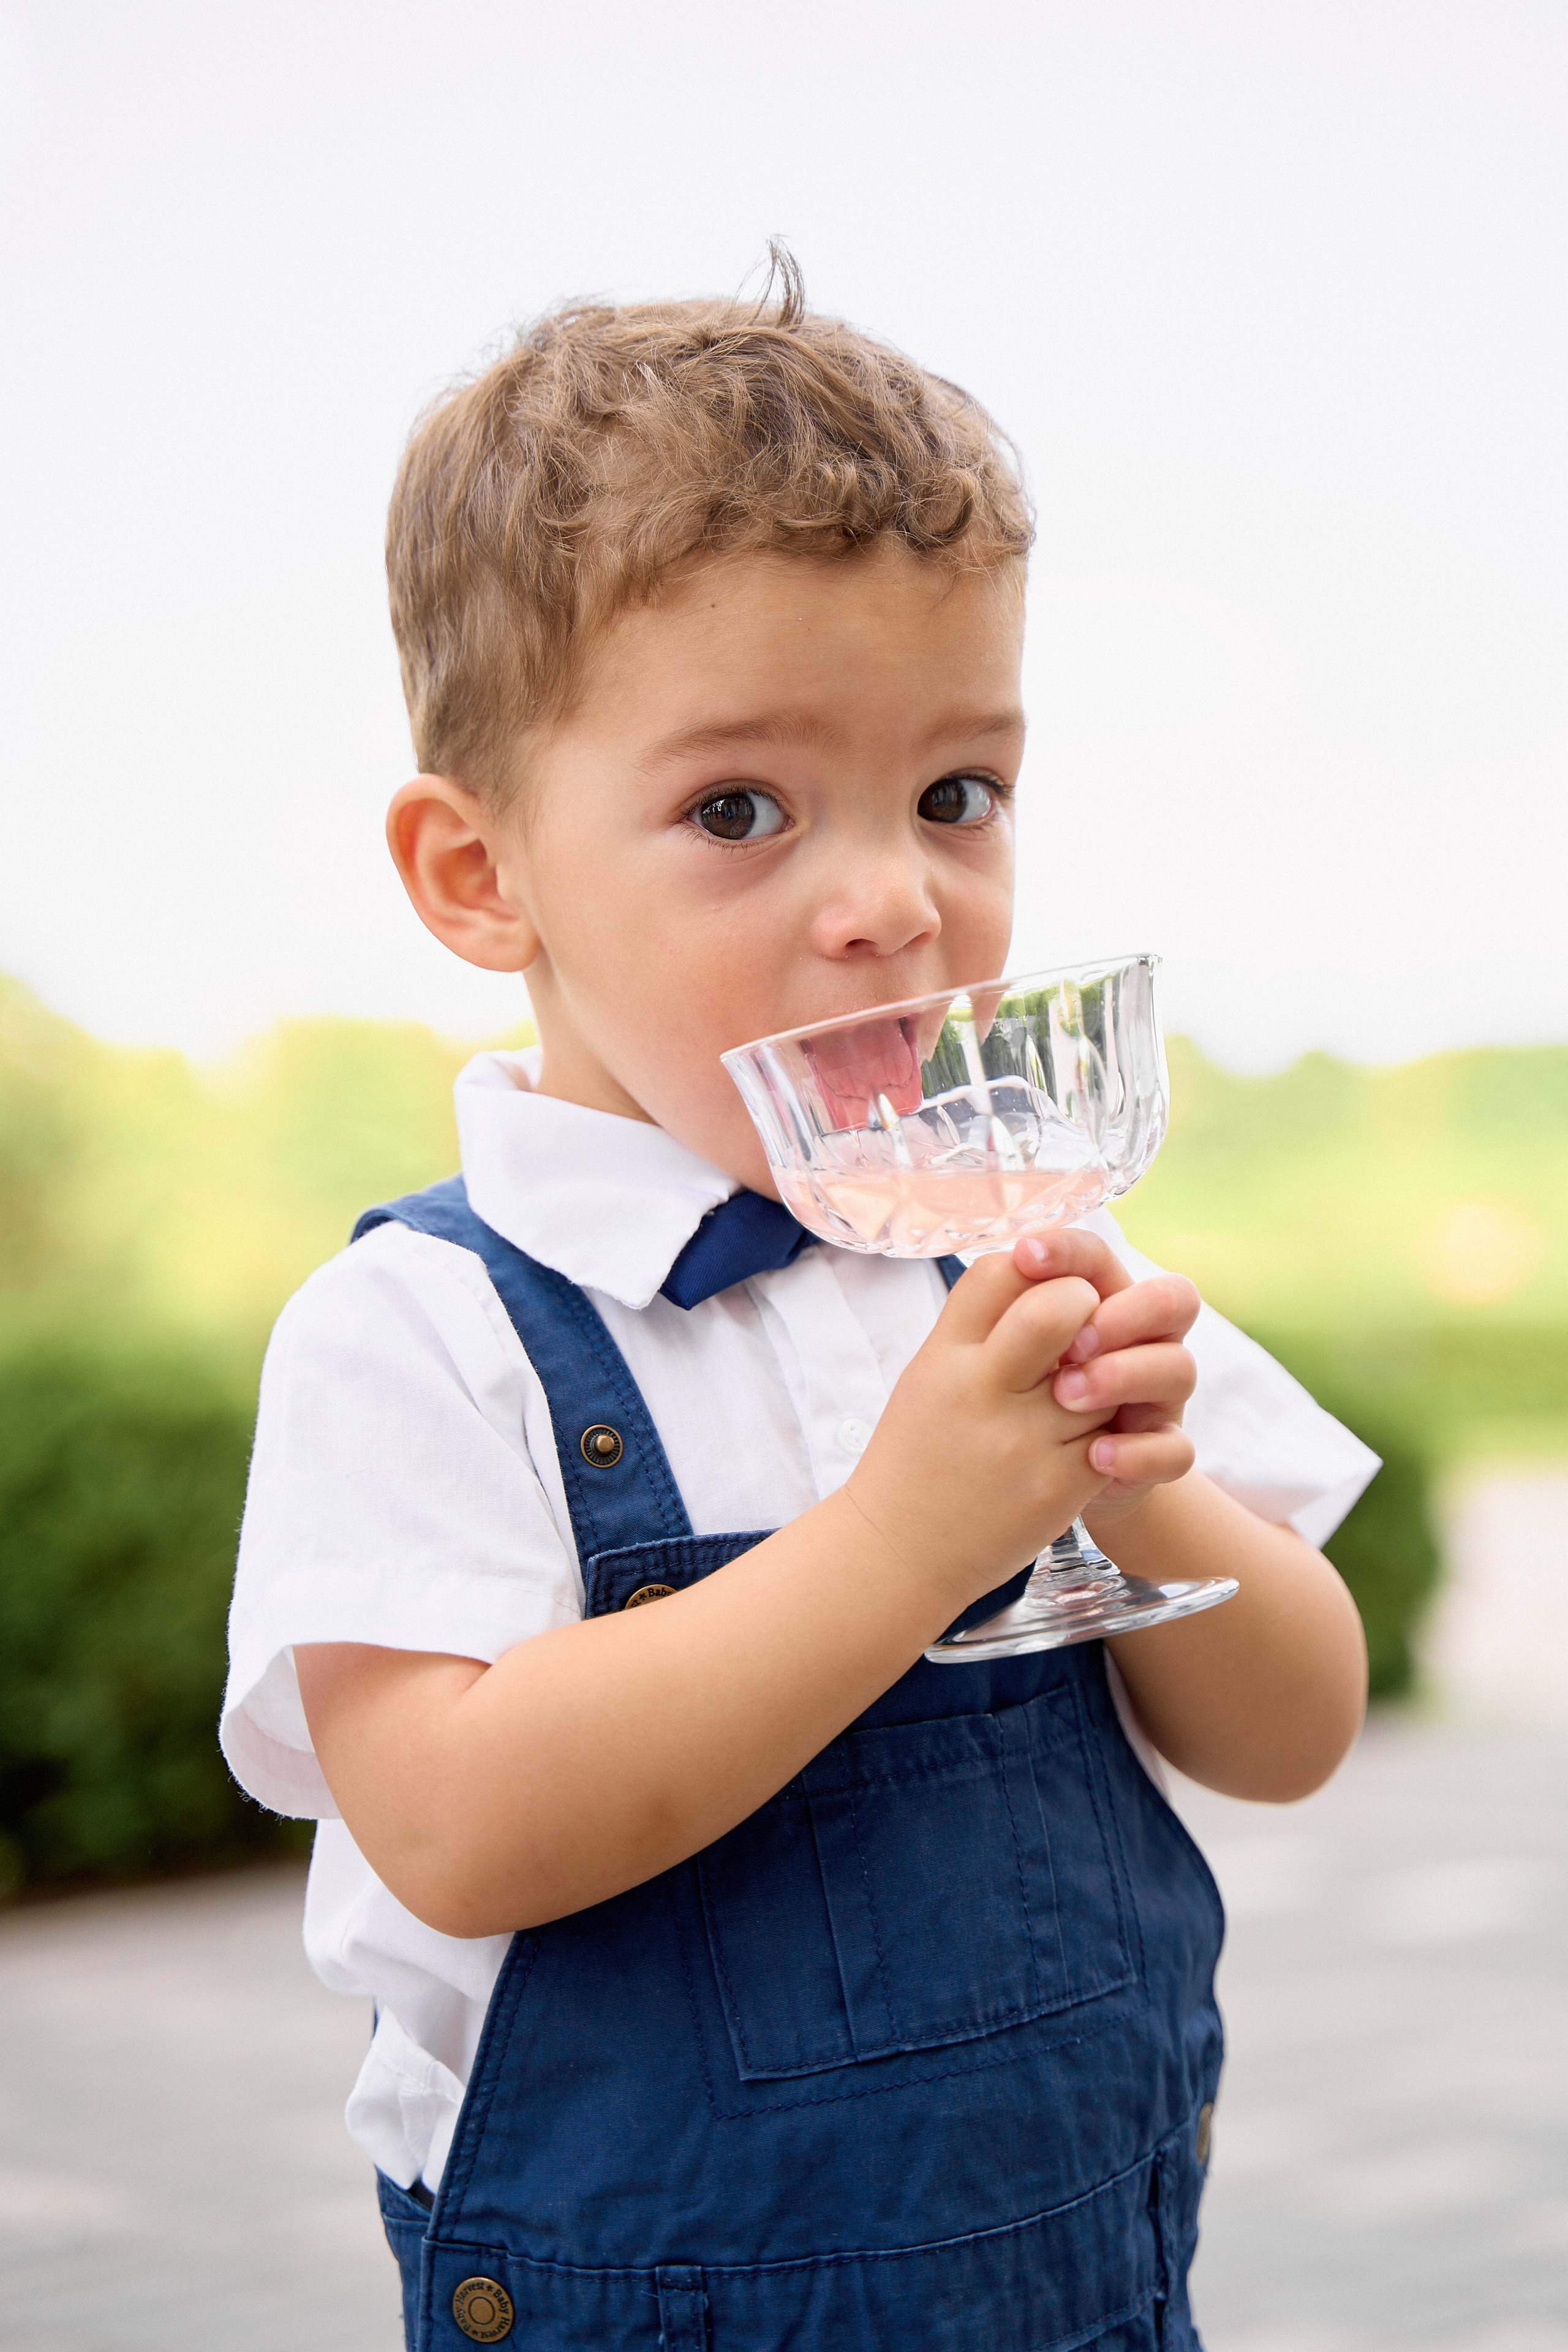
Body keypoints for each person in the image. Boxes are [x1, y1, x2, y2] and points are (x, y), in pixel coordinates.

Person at [222, 258, 1375, 2352]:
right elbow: (463, 1826)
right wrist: (903, 1540)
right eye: (738, 811)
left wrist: (1140, 1492)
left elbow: (1295, 1728)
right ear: (486, 878)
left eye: (957, 793)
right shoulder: (424, 1331)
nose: (894, 901)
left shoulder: (1011, 1248)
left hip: (1085, 2280)